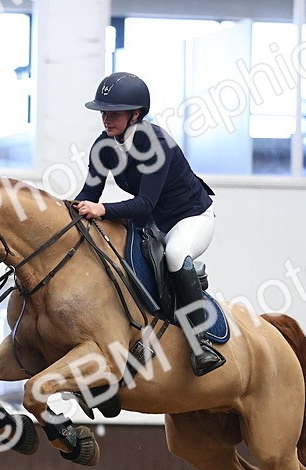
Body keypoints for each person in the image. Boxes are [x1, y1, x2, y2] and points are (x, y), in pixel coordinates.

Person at [72, 72, 224, 377]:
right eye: (103, 112)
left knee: (176, 254)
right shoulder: (104, 147)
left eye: (114, 113)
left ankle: (201, 341)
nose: (106, 119)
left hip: (190, 219)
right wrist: (66, 212)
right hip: (152, 223)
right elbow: (89, 194)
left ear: (136, 114)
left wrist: (101, 209)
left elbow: (144, 205)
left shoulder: (156, 144)